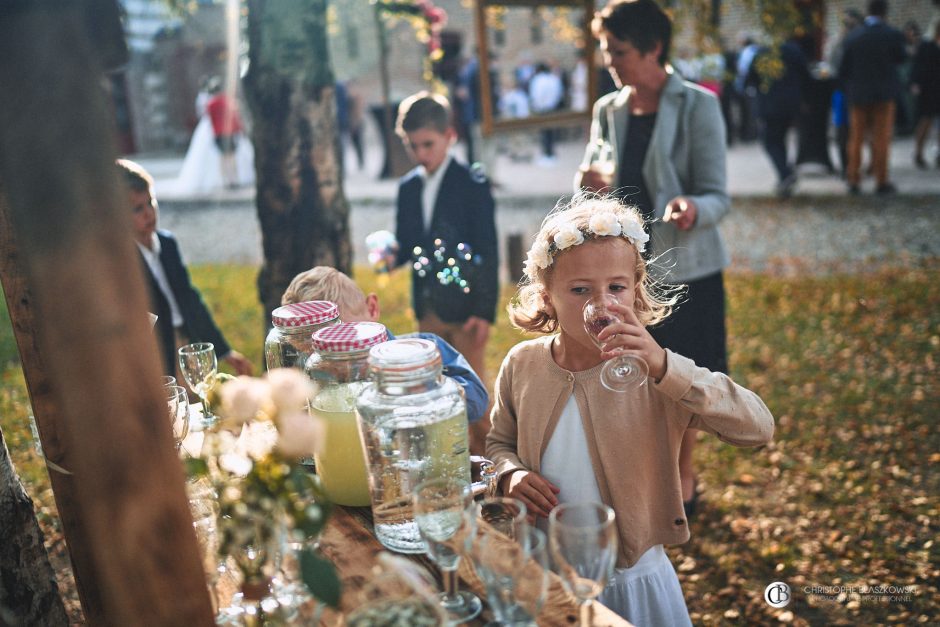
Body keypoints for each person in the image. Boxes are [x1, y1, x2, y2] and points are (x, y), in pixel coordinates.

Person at [486, 194, 774, 625]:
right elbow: (498, 444)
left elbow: (757, 427)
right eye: (580, 289)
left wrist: (664, 367)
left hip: (631, 580)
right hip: (546, 576)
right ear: (546, 297)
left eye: (616, 288)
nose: (601, 305)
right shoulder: (522, 365)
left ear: (635, 291)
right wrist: (510, 473)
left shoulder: (658, 374)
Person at [576, 0, 732, 518]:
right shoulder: (608, 110)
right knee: (630, 375)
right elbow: (594, 178)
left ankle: (682, 476)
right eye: (606, 51)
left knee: (679, 377)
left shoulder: (697, 106)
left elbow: (718, 194)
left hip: (688, 271)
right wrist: (586, 188)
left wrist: (692, 207)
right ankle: (645, 472)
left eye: (618, 51)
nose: (610, 62)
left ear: (653, 48)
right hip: (623, 275)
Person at [281, 266, 491, 454]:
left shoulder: (422, 350)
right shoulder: (313, 376)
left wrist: (420, 389)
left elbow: (477, 398)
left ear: (372, 308)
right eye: (316, 352)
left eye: (348, 340)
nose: (337, 362)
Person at [393, 91, 499, 392]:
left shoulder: (471, 185)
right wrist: (392, 255)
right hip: (427, 306)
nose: (420, 154)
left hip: (466, 310)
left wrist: (483, 310)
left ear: (449, 136)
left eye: (428, 144)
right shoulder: (408, 188)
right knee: (433, 389)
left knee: (472, 391)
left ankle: (484, 441)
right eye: (412, 146)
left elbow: (487, 248)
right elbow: (407, 241)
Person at [117, 159, 253, 379]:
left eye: (150, 202)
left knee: (197, 398)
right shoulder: (124, 262)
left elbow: (189, 299)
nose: (149, 213)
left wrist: (224, 350)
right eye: (137, 209)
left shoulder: (167, 244)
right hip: (156, 348)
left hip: (186, 341)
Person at [838, 0, 907, 195]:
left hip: (858, 95)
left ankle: (853, 178)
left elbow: (843, 69)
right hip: (883, 95)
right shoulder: (891, 34)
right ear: (885, 13)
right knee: (881, 138)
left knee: (856, 137)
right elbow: (901, 58)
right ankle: (881, 180)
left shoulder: (854, 36)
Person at [746, 38, 811, 197]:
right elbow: (806, 76)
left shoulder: (762, 53)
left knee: (770, 141)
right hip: (790, 104)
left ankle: (785, 173)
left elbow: (750, 79)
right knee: (780, 138)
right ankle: (785, 175)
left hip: (769, 105)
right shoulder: (793, 50)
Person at [205, 78, 246, 189]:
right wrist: (239, 129)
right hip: (229, 132)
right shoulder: (227, 101)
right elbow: (234, 116)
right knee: (232, 156)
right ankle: (235, 179)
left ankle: (225, 181)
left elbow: (210, 120)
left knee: (223, 157)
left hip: (218, 133)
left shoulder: (210, 104)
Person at [911, 18, 940, 169]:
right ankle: (918, 153)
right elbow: (917, 66)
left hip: (934, 89)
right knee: (926, 122)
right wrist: (915, 84)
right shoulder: (927, 45)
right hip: (929, 90)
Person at [528, 62, 564, 165]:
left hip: (542, 109)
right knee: (551, 132)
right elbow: (558, 93)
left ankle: (547, 154)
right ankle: (550, 152)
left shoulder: (538, 80)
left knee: (544, 132)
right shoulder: (553, 79)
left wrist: (538, 106)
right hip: (552, 108)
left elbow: (536, 95)